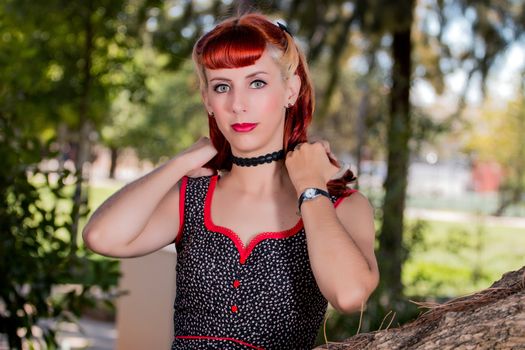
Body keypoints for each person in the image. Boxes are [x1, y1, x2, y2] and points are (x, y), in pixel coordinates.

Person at [83, 12, 379, 350]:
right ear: (208, 100)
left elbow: (350, 294)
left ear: (291, 89)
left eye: (257, 83)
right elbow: (101, 237)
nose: (237, 105)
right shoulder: (193, 196)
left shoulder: (341, 206)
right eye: (222, 87)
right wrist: (181, 162)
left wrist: (310, 187)